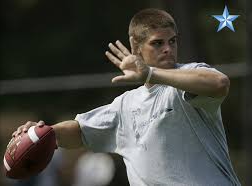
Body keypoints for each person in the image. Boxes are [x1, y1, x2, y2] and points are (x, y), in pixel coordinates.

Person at [13, 8, 241, 185]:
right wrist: (41, 133)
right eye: (157, 43)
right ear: (136, 46)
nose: (168, 49)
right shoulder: (125, 106)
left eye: (173, 41)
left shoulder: (187, 76)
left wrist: (151, 73)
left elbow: (219, 83)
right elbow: (80, 130)